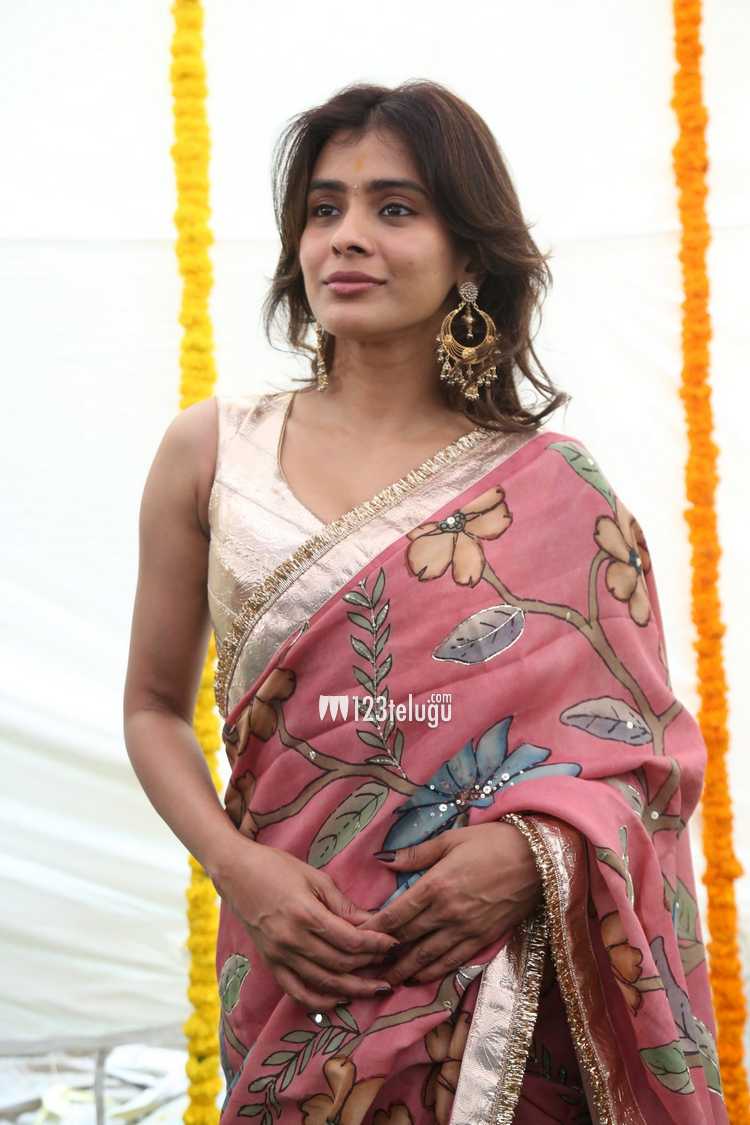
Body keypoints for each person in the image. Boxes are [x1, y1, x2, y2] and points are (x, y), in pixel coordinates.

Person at [123, 79, 727, 1124]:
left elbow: (651, 758)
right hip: (299, 970)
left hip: (507, 987)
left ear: (469, 256)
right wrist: (239, 872)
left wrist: (537, 855)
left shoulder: (555, 489)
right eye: (324, 209)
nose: (347, 237)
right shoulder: (215, 453)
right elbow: (150, 708)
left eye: (394, 208)